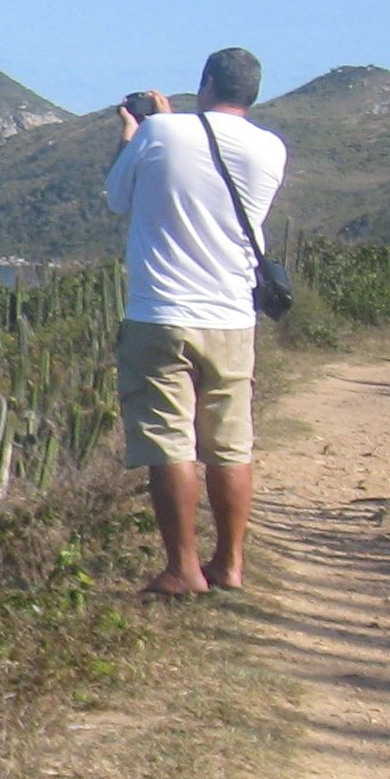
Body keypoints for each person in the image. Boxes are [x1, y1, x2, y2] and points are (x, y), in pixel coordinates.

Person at [105, 46, 287, 597]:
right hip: (232, 316)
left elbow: (118, 199)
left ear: (206, 82)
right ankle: (230, 564)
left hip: (161, 312)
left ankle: (183, 567)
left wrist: (138, 134)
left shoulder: (162, 134)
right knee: (231, 444)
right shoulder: (272, 149)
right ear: (252, 92)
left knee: (170, 442)